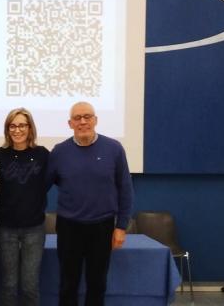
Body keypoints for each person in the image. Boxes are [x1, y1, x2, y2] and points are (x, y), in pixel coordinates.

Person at [46, 101, 134, 306]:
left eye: (87, 116)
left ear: (96, 120)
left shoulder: (114, 149)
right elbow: (42, 186)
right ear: (70, 124)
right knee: (68, 284)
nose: (83, 121)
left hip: (102, 227)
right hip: (69, 228)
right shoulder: (59, 152)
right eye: (77, 118)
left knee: (97, 284)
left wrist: (121, 226)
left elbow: (125, 189)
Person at [0, 108, 49, 306]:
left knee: (29, 285)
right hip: (6, 229)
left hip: (34, 229)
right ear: (7, 129)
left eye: (22, 125)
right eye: (13, 126)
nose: (17, 130)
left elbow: (49, 182)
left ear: (30, 128)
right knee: (8, 285)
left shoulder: (42, 154)